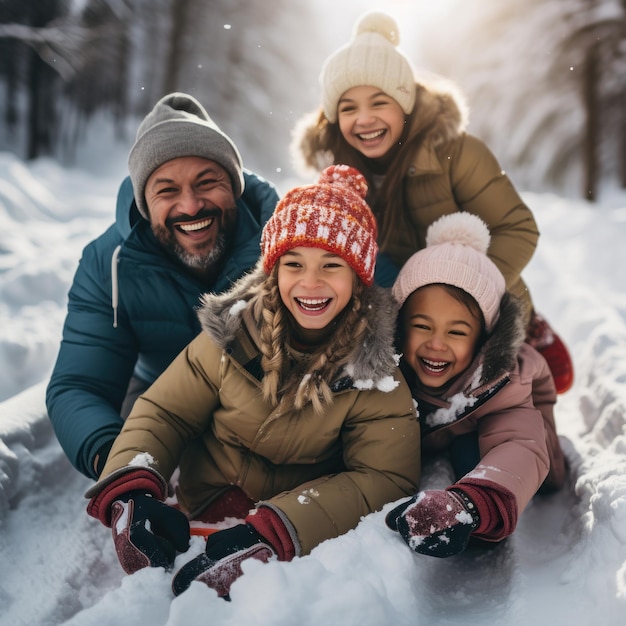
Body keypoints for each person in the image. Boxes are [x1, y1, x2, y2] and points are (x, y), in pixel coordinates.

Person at [83, 164, 421, 598]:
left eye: (331, 265)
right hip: (201, 506)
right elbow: (165, 411)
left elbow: (384, 476)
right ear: (272, 271)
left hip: (288, 529)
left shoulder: (374, 372)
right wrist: (134, 484)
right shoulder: (232, 333)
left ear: (358, 278)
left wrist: (279, 526)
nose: (310, 282)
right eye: (293, 263)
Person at [291, 11, 574, 394]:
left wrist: (472, 294)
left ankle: (530, 329)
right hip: (403, 306)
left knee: (518, 392)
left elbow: (517, 227)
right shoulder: (337, 174)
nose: (364, 119)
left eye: (379, 102)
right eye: (348, 107)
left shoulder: (456, 152)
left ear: (405, 103)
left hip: (473, 294)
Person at [46, 92, 280, 481]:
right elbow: (81, 385)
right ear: (143, 203)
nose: (190, 206)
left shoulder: (286, 238)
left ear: (234, 187)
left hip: (265, 398)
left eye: (207, 182)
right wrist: (118, 466)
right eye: (167, 190)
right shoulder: (109, 264)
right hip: (159, 391)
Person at [384, 212, 567, 558]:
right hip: (442, 428)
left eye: (456, 332)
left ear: (483, 338)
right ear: (399, 326)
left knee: (473, 453)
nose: (436, 344)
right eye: (422, 326)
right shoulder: (388, 370)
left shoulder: (503, 381)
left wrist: (470, 503)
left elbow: (519, 443)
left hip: (530, 453)